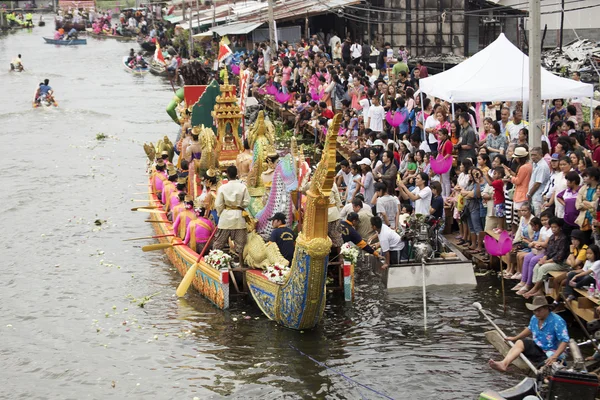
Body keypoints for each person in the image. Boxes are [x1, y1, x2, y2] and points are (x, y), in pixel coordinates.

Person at [488, 296, 569, 372]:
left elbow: (564, 340)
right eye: (534, 311)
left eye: (539, 310)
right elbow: (530, 329)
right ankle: (504, 364)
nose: (536, 313)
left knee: (544, 369)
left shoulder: (557, 321)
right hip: (538, 347)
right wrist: (515, 338)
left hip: (552, 352)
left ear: (546, 308)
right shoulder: (535, 318)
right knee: (520, 342)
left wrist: (554, 356)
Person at [523, 217, 570, 298]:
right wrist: (544, 258)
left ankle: (535, 289)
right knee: (537, 266)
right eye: (552, 227)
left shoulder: (563, 239)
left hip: (561, 263)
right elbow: (548, 251)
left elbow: (559, 256)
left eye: (555, 227)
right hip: (551, 260)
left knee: (543, 268)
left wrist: (546, 262)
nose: (553, 229)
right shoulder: (552, 237)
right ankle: (539, 290)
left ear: (560, 227)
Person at [213, 166, 250, 265]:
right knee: (240, 244)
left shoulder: (222, 188)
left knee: (219, 243)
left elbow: (218, 204)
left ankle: (216, 261)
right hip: (239, 217)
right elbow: (246, 202)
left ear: (228, 174)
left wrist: (221, 213)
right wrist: (239, 206)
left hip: (225, 217)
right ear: (236, 174)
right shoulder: (243, 187)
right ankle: (240, 263)